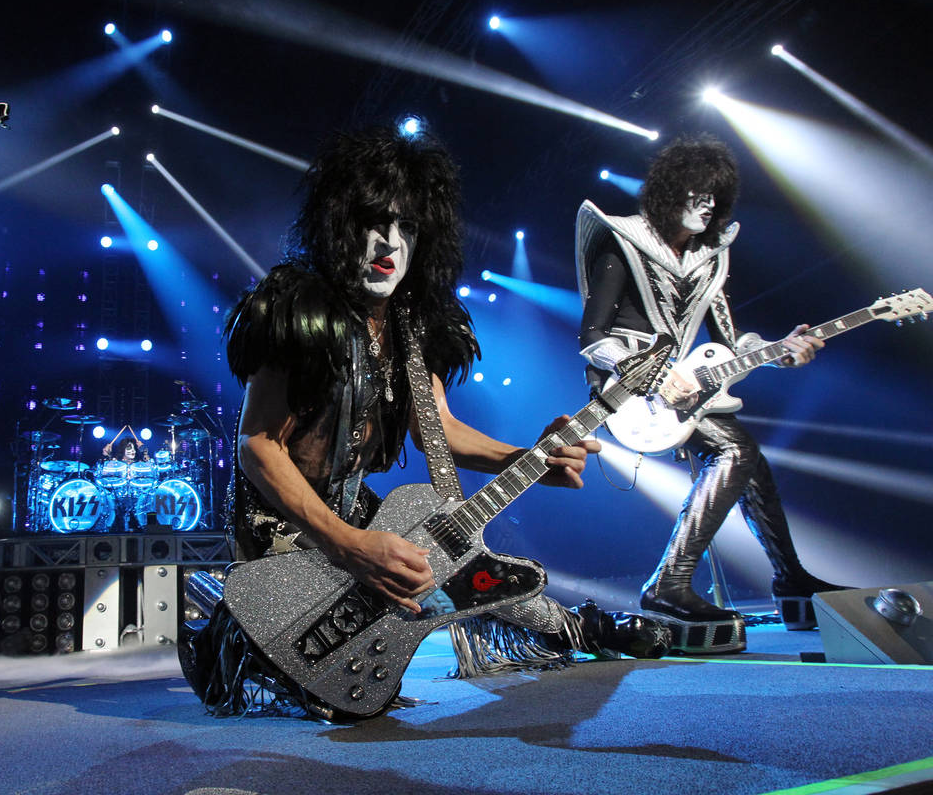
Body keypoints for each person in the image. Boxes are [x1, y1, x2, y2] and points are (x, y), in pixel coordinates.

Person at [182, 125, 668, 717]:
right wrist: (349, 546)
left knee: (452, 553)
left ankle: (578, 630)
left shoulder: (418, 328)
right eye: (373, 221)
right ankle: (233, 633)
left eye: (406, 226)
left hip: (354, 511)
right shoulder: (300, 309)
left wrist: (530, 460)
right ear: (339, 224)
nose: (388, 242)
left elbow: (438, 431)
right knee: (323, 683)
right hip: (278, 521)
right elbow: (258, 445)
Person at [575, 134, 838, 654]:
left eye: (715, 196)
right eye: (698, 192)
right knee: (736, 449)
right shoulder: (623, 241)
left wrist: (780, 349)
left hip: (684, 385)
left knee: (751, 460)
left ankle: (791, 581)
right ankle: (669, 582)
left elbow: (729, 344)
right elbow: (591, 337)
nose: (708, 204)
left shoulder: (710, 259)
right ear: (671, 191)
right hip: (628, 388)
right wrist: (649, 375)